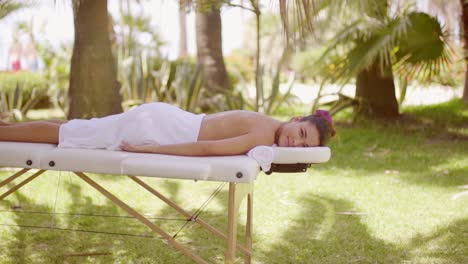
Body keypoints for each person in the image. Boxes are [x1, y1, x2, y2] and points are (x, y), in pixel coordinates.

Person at [0, 102, 336, 156]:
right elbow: (205, 149)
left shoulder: (267, 121)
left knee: (74, 128)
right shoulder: (264, 135)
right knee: (68, 134)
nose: (295, 144)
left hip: (167, 118)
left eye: (303, 148)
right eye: (302, 135)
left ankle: (7, 127)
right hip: (162, 129)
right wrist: (149, 150)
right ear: (295, 120)